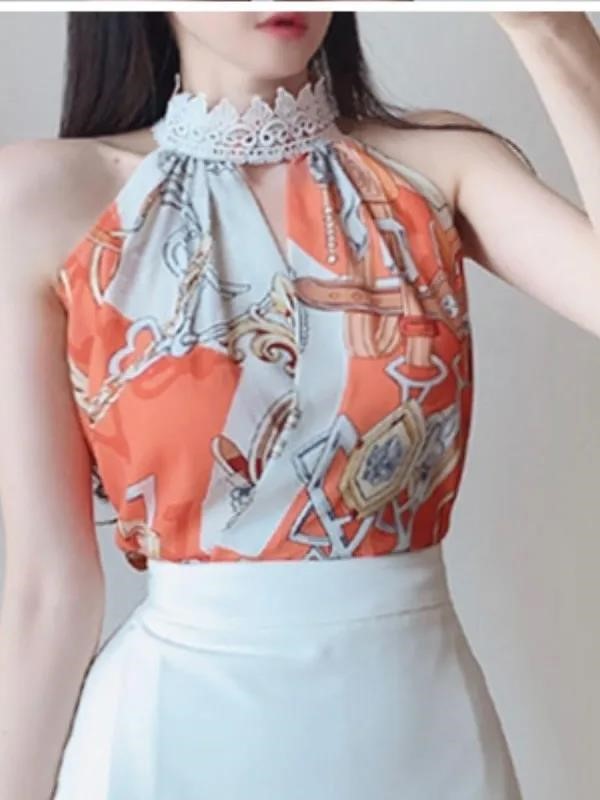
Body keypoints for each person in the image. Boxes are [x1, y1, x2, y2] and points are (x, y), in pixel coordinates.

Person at [0, 9, 599, 800]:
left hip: (425, 737)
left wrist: (550, 30)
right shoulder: (46, 198)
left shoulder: (434, 170)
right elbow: (46, 590)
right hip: (168, 739)